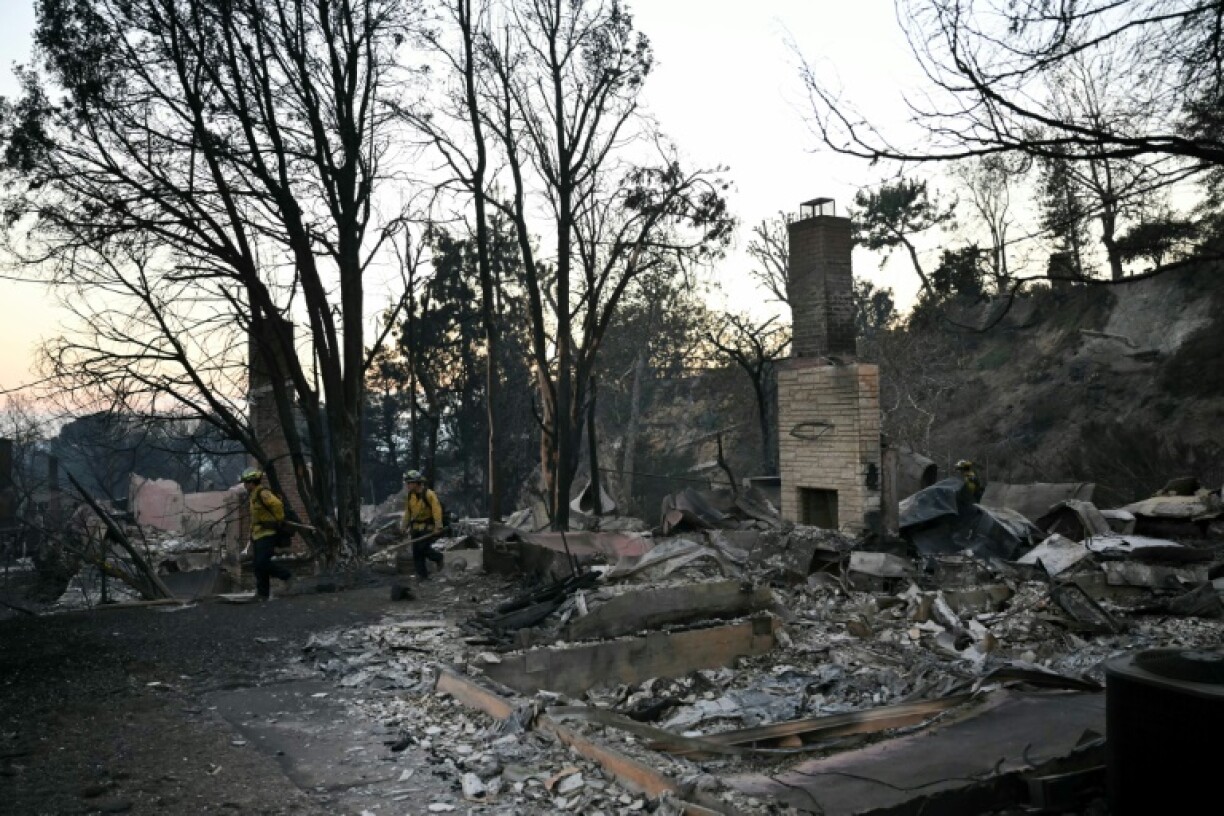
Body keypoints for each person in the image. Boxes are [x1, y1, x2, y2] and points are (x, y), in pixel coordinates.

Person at [241, 467, 292, 601]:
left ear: (252, 482)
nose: (245, 485)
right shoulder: (253, 496)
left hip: (268, 533)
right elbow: (255, 518)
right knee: (258, 566)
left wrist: (279, 521)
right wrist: (251, 533)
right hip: (258, 534)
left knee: (262, 563)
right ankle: (262, 594)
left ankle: (287, 576)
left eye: (246, 482)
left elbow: (277, 504)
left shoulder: (262, 493)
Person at [400, 469, 445, 580]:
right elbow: (408, 512)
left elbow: (436, 510)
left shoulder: (429, 494)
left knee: (423, 548)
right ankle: (422, 575)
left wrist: (438, 526)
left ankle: (439, 558)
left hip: (428, 526)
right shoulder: (411, 496)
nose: (408, 485)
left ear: (416, 483)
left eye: (409, 483)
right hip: (416, 527)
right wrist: (403, 526)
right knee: (417, 552)